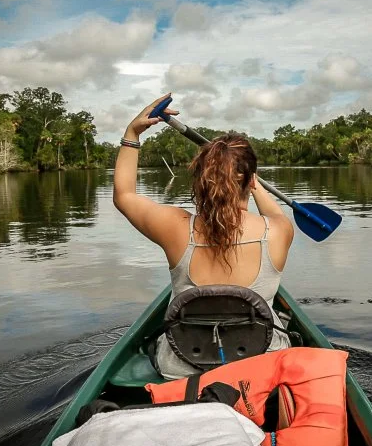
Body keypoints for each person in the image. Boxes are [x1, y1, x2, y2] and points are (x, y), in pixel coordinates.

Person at [113, 94, 295, 379]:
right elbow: (276, 215)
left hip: (182, 369)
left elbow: (124, 195)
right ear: (249, 179)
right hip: (260, 367)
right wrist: (253, 183)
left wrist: (131, 132)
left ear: (200, 180)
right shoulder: (278, 231)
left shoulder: (174, 226)